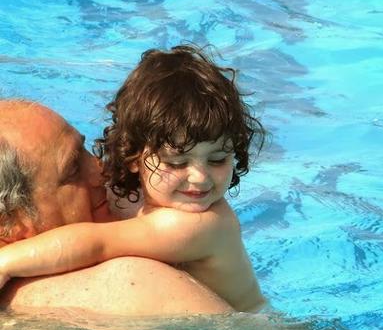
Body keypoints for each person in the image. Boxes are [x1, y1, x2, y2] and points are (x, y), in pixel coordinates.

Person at [0, 45, 267, 312]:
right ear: (134, 159)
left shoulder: (199, 223)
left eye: (218, 160)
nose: (199, 177)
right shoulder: (130, 200)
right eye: (177, 162)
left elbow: (95, 243)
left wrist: (6, 262)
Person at [0, 99, 233, 316]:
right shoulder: (135, 285)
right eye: (73, 168)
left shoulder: (157, 213)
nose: (102, 169)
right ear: (8, 224)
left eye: (85, 150)